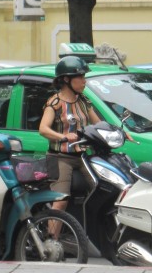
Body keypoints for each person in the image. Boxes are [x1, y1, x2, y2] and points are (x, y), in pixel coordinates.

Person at [38, 56, 101, 230]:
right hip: (60, 158)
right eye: (80, 77)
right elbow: (43, 129)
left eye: (84, 77)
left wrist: (119, 132)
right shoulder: (55, 103)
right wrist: (63, 137)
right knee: (60, 201)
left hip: (82, 157)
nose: (84, 81)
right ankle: (52, 244)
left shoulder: (83, 101)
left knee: (102, 189)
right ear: (66, 79)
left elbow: (98, 124)